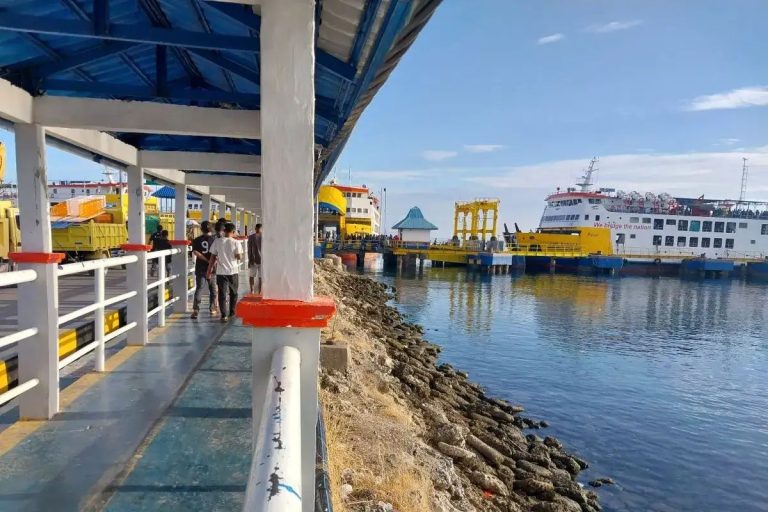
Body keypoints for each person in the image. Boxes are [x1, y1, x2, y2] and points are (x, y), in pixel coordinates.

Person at [207, 222, 242, 322]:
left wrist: (209, 270)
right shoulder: (236, 242)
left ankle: (224, 315)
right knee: (234, 293)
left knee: (222, 293)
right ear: (233, 232)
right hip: (233, 271)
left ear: (224, 231)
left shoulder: (217, 241)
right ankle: (232, 312)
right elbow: (239, 257)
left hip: (221, 272)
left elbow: (213, 257)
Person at [190, 221, 218, 319]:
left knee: (199, 288)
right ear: (211, 229)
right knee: (213, 289)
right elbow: (217, 254)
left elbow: (195, 252)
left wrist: (206, 260)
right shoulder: (215, 240)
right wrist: (210, 262)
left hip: (200, 267)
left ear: (201, 229)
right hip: (213, 268)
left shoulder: (197, 240)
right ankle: (212, 308)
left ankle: (196, 310)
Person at [247, 223, 262, 294]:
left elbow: (249, 249)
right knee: (259, 277)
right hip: (259, 260)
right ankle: (258, 291)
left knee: (252, 276)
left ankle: (253, 290)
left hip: (254, 259)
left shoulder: (251, 237)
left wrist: (249, 259)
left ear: (255, 228)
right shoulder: (264, 237)